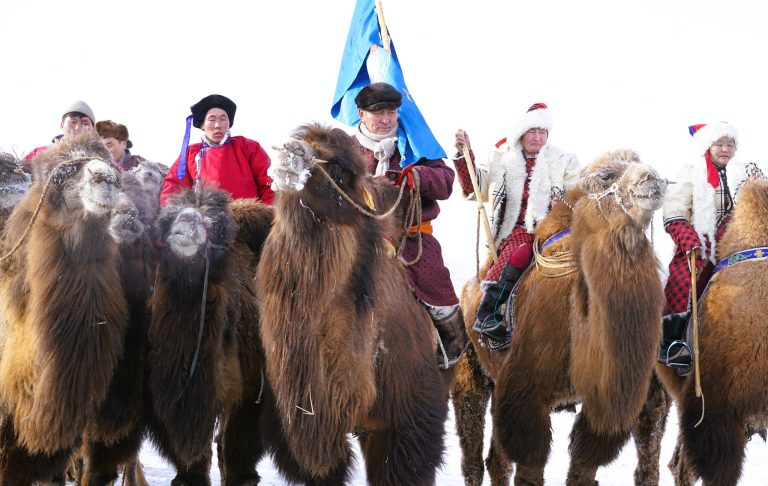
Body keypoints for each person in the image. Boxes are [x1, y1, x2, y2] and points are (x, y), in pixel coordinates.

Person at [354, 82, 468, 368]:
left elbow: (446, 182)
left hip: (412, 239)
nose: (386, 119)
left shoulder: (417, 143)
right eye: (378, 112)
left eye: (391, 112)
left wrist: (420, 177)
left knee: (435, 281)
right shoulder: (346, 150)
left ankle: (453, 345)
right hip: (359, 238)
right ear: (361, 113)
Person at [453, 103, 580, 346]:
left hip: (554, 230)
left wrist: (562, 203)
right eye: (532, 131)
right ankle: (488, 313)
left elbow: (578, 196)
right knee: (520, 249)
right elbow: (474, 189)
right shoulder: (500, 158)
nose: (537, 137)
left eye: (542, 132)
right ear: (521, 133)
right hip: (517, 231)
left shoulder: (565, 161)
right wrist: (465, 156)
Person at [659, 122, 761, 374]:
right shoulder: (691, 173)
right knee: (683, 281)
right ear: (708, 146)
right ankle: (675, 343)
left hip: (743, 242)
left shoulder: (749, 171)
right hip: (702, 242)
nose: (725, 149)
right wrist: (690, 242)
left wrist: (759, 185)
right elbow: (675, 213)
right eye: (720, 144)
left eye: (730, 145)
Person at [160, 94, 274, 205]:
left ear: (229, 123)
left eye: (223, 119)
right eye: (212, 119)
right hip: (207, 220)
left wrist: (270, 213)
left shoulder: (248, 146)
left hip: (250, 219)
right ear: (202, 125)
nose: (217, 125)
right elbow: (173, 187)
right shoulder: (191, 152)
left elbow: (270, 182)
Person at [23, 100, 95, 161]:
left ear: (93, 130)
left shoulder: (100, 158)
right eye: (73, 122)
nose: (77, 127)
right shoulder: (38, 154)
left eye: (85, 123)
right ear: (61, 125)